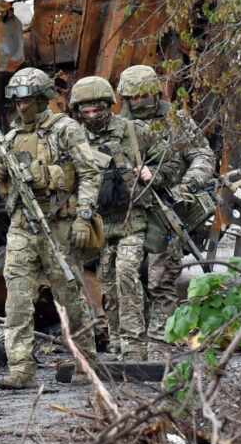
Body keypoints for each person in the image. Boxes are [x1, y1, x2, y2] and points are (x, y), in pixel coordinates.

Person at [0, 67, 101, 389]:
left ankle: (86, 361)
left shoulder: (66, 130)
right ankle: (21, 369)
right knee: (17, 299)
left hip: (58, 225)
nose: (22, 107)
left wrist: (83, 217)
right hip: (21, 227)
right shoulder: (9, 139)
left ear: (43, 98)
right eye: (18, 101)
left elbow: (89, 174)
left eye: (29, 101)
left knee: (70, 297)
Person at [69, 76, 179, 361]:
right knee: (108, 284)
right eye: (86, 111)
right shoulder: (75, 138)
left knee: (127, 273)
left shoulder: (133, 131)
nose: (92, 117)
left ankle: (134, 345)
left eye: (98, 110)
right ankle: (117, 342)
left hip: (134, 219)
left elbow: (172, 161)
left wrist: (151, 174)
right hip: (102, 225)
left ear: (109, 106)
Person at [117, 65, 215, 342]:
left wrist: (188, 185)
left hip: (168, 206)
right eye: (132, 98)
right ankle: (129, 343)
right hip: (131, 210)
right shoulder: (119, 126)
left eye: (143, 96)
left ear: (154, 93)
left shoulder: (176, 120)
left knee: (161, 278)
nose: (137, 103)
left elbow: (202, 156)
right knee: (125, 276)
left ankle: (162, 342)